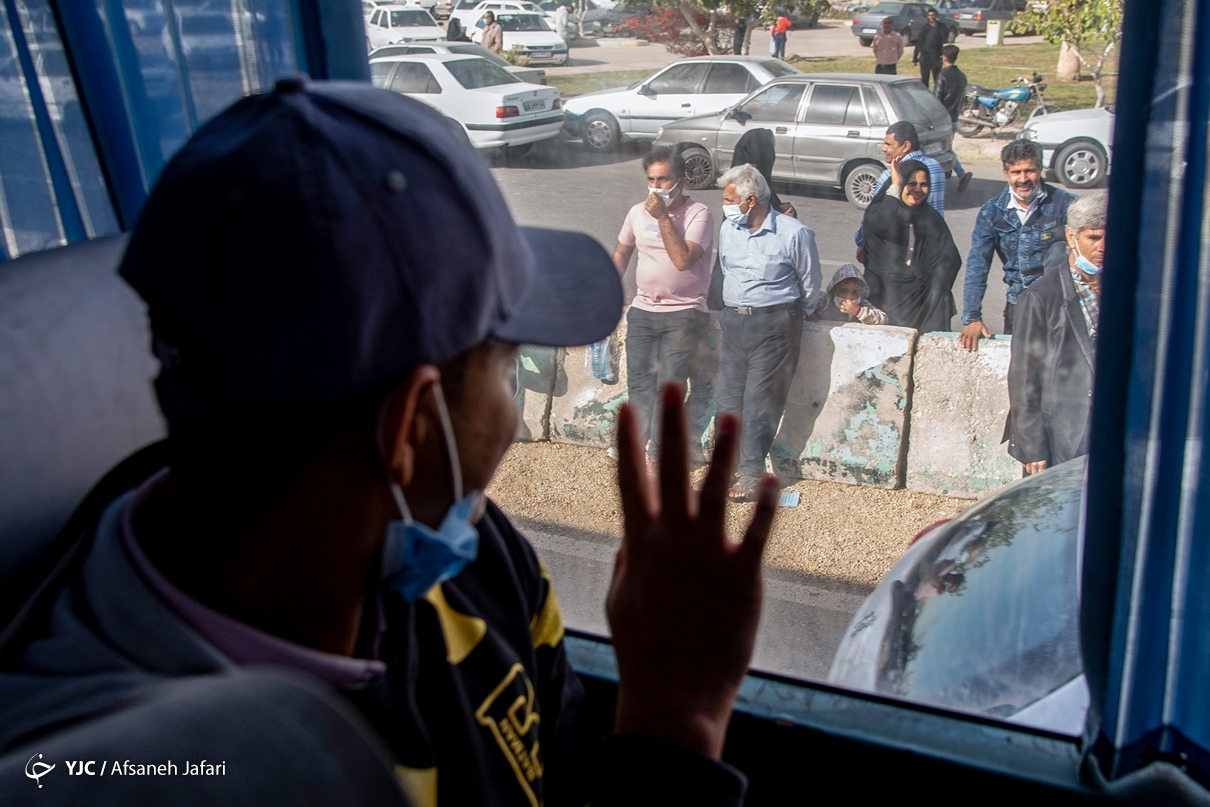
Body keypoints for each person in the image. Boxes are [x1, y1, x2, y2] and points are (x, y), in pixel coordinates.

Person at [0, 78, 779, 806]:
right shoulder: (161, 774)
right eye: (506, 365)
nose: (511, 414)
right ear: (411, 426)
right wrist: (677, 725)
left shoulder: (474, 560)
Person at [715, 163, 822, 502]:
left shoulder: (793, 233)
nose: (726, 205)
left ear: (750, 200)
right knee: (727, 399)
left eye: (730, 199)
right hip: (734, 321)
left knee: (760, 399)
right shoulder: (728, 230)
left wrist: (796, 314)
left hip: (776, 324)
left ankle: (750, 472)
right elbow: (725, 269)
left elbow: (810, 282)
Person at [612, 146, 714, 473]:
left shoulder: (700, 214)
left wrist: (663, 218)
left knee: (668, 385)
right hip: (643, 310)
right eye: (651, 179)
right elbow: (622, 253)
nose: (656, 187)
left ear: (681, 181)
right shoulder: (636, 212)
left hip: (684, 312)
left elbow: (684, 260)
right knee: (640, 383)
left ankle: (658, 453)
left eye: (663, 179)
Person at [1004, 191, 1106, 475]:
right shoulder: (1041, 297)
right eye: (1094, 238)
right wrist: (1032, 446)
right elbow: (1024, 377)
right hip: (1063, 435)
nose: (1103, 247)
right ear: (1071, 236)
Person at [959, 140, 1077, 351]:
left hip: (1062, 306)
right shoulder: (992, 211)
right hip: (1020, 305)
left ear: (1040, 169)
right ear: (1006, 172)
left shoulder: (1066, 204)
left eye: (1029, 171)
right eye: (1016, 172)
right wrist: (972, 317)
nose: (1023, 179)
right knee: (1019, 372)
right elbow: (978, 265)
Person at [860, 157, 961, 332]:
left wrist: (928, 284)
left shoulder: (931, 218)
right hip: (883, 296)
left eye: (923, 184)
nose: (918, 189)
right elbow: (884, 223)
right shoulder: (878, 211)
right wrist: (896, 184)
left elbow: (951, 259)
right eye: (911, 183)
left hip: (921, 302)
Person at [854, 121, 945, 264]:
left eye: (889, 144)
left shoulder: (892, 175)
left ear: (906, 146)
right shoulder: (936, 167)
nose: (883, 149)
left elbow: (873, 216)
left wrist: (862, 244)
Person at [730, 127, 796, 218]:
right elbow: (752, 220)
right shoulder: (748, 186)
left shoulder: (760, 182)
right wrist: (780, 218)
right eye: (770, 148)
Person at [934, 44, 973, 192]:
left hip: (943, 119)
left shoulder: (943, 75)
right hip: (955, 117)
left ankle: (960, 173)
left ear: (944, 58)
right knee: (946, 148)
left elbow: (937, 99)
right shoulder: (962, 76)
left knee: (944, 149)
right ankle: (950, 173)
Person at [818, 263, 889, 325]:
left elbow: (884, 319)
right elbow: (808, 303)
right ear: (834, 290)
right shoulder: (824, 302)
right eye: (843, 292)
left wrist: (858, 311)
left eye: (854, 293)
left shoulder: (862, 304)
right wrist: (810, 313)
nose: (849, 297)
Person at [912, 7, 946, 89]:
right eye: (930, 15)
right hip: (925, 57)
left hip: (936, 56)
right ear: (927, 16)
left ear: (936, 15)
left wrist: (936, 28)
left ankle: (938, 95)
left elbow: (944, 37)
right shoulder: (924, 28)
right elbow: (919, 42)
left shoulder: (941, 27)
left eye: (933, 15)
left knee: (937, 78)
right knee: (924, 78)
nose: (932, 17)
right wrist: (915, 57)